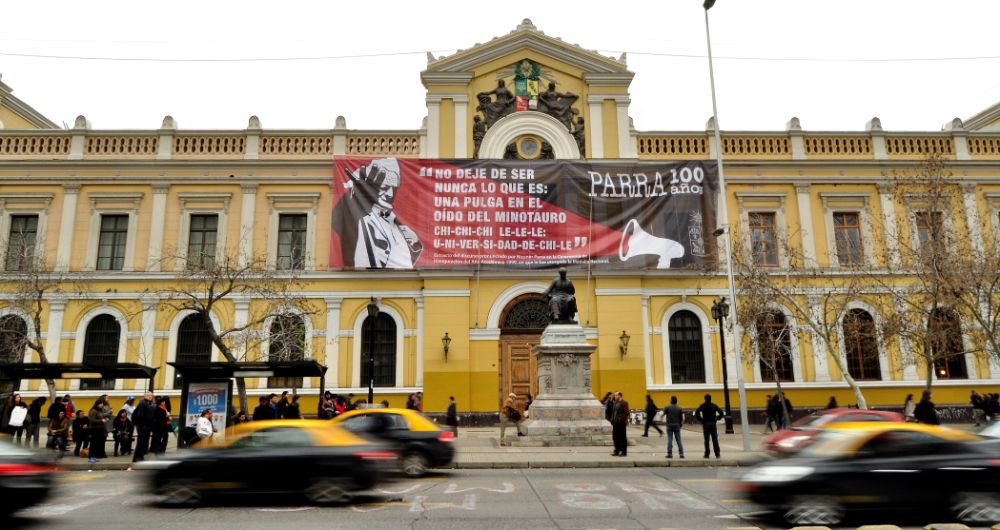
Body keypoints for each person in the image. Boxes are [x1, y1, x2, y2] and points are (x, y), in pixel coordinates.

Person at [695, 394, 724, 459]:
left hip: (705, 423)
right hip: (713, 423)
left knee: (706, 440)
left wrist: (700, 419)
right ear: (711, 398)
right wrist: (717, 418)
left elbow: (697, 412)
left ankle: (707, 454)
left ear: (705, 399)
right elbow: (721, 412)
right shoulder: (714, 405)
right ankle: (717, 453)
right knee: (715, 439)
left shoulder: (702, 405)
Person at [131, 392, 157, 463]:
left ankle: (141, 456)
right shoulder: (142, 403)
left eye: (151, 395)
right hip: (142, 426)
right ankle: (137, 457)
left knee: (144, 442)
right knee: (141, 442)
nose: (150, 396)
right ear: (145, 396)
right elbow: (140, 415)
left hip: (147, 426)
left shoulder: (151, 403)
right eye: (148, 395)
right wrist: (142, 424)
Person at [611, 392, 630, 456]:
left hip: (621, 423)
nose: (615, 396)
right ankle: (617, 450)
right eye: (615, 395)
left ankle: (623, 452)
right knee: (615, 437)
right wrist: (612, 420)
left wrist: (621, 419)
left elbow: (626, 412)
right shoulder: (615, 403)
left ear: (620, 396)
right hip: (615, 423)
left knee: (622, 438)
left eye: (616, 395)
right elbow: (613, 413)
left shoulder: (624, 403)